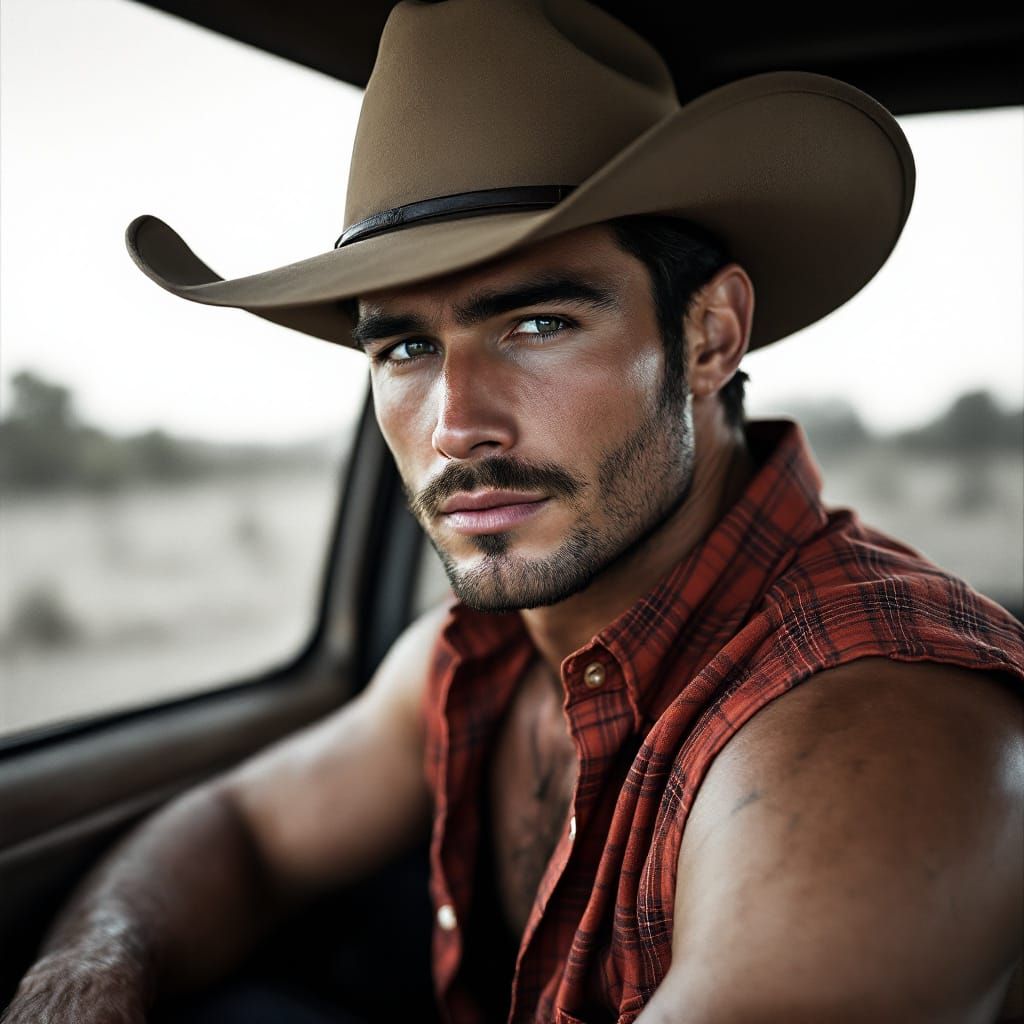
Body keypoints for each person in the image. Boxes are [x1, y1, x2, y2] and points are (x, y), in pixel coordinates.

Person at [6, 1, 1023, 1022]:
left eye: (537, 323)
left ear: (709, 337)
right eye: (404, 348)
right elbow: (242, 832)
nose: (456, 425)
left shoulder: (876, 729)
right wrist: (88, 975)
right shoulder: (473, 655)